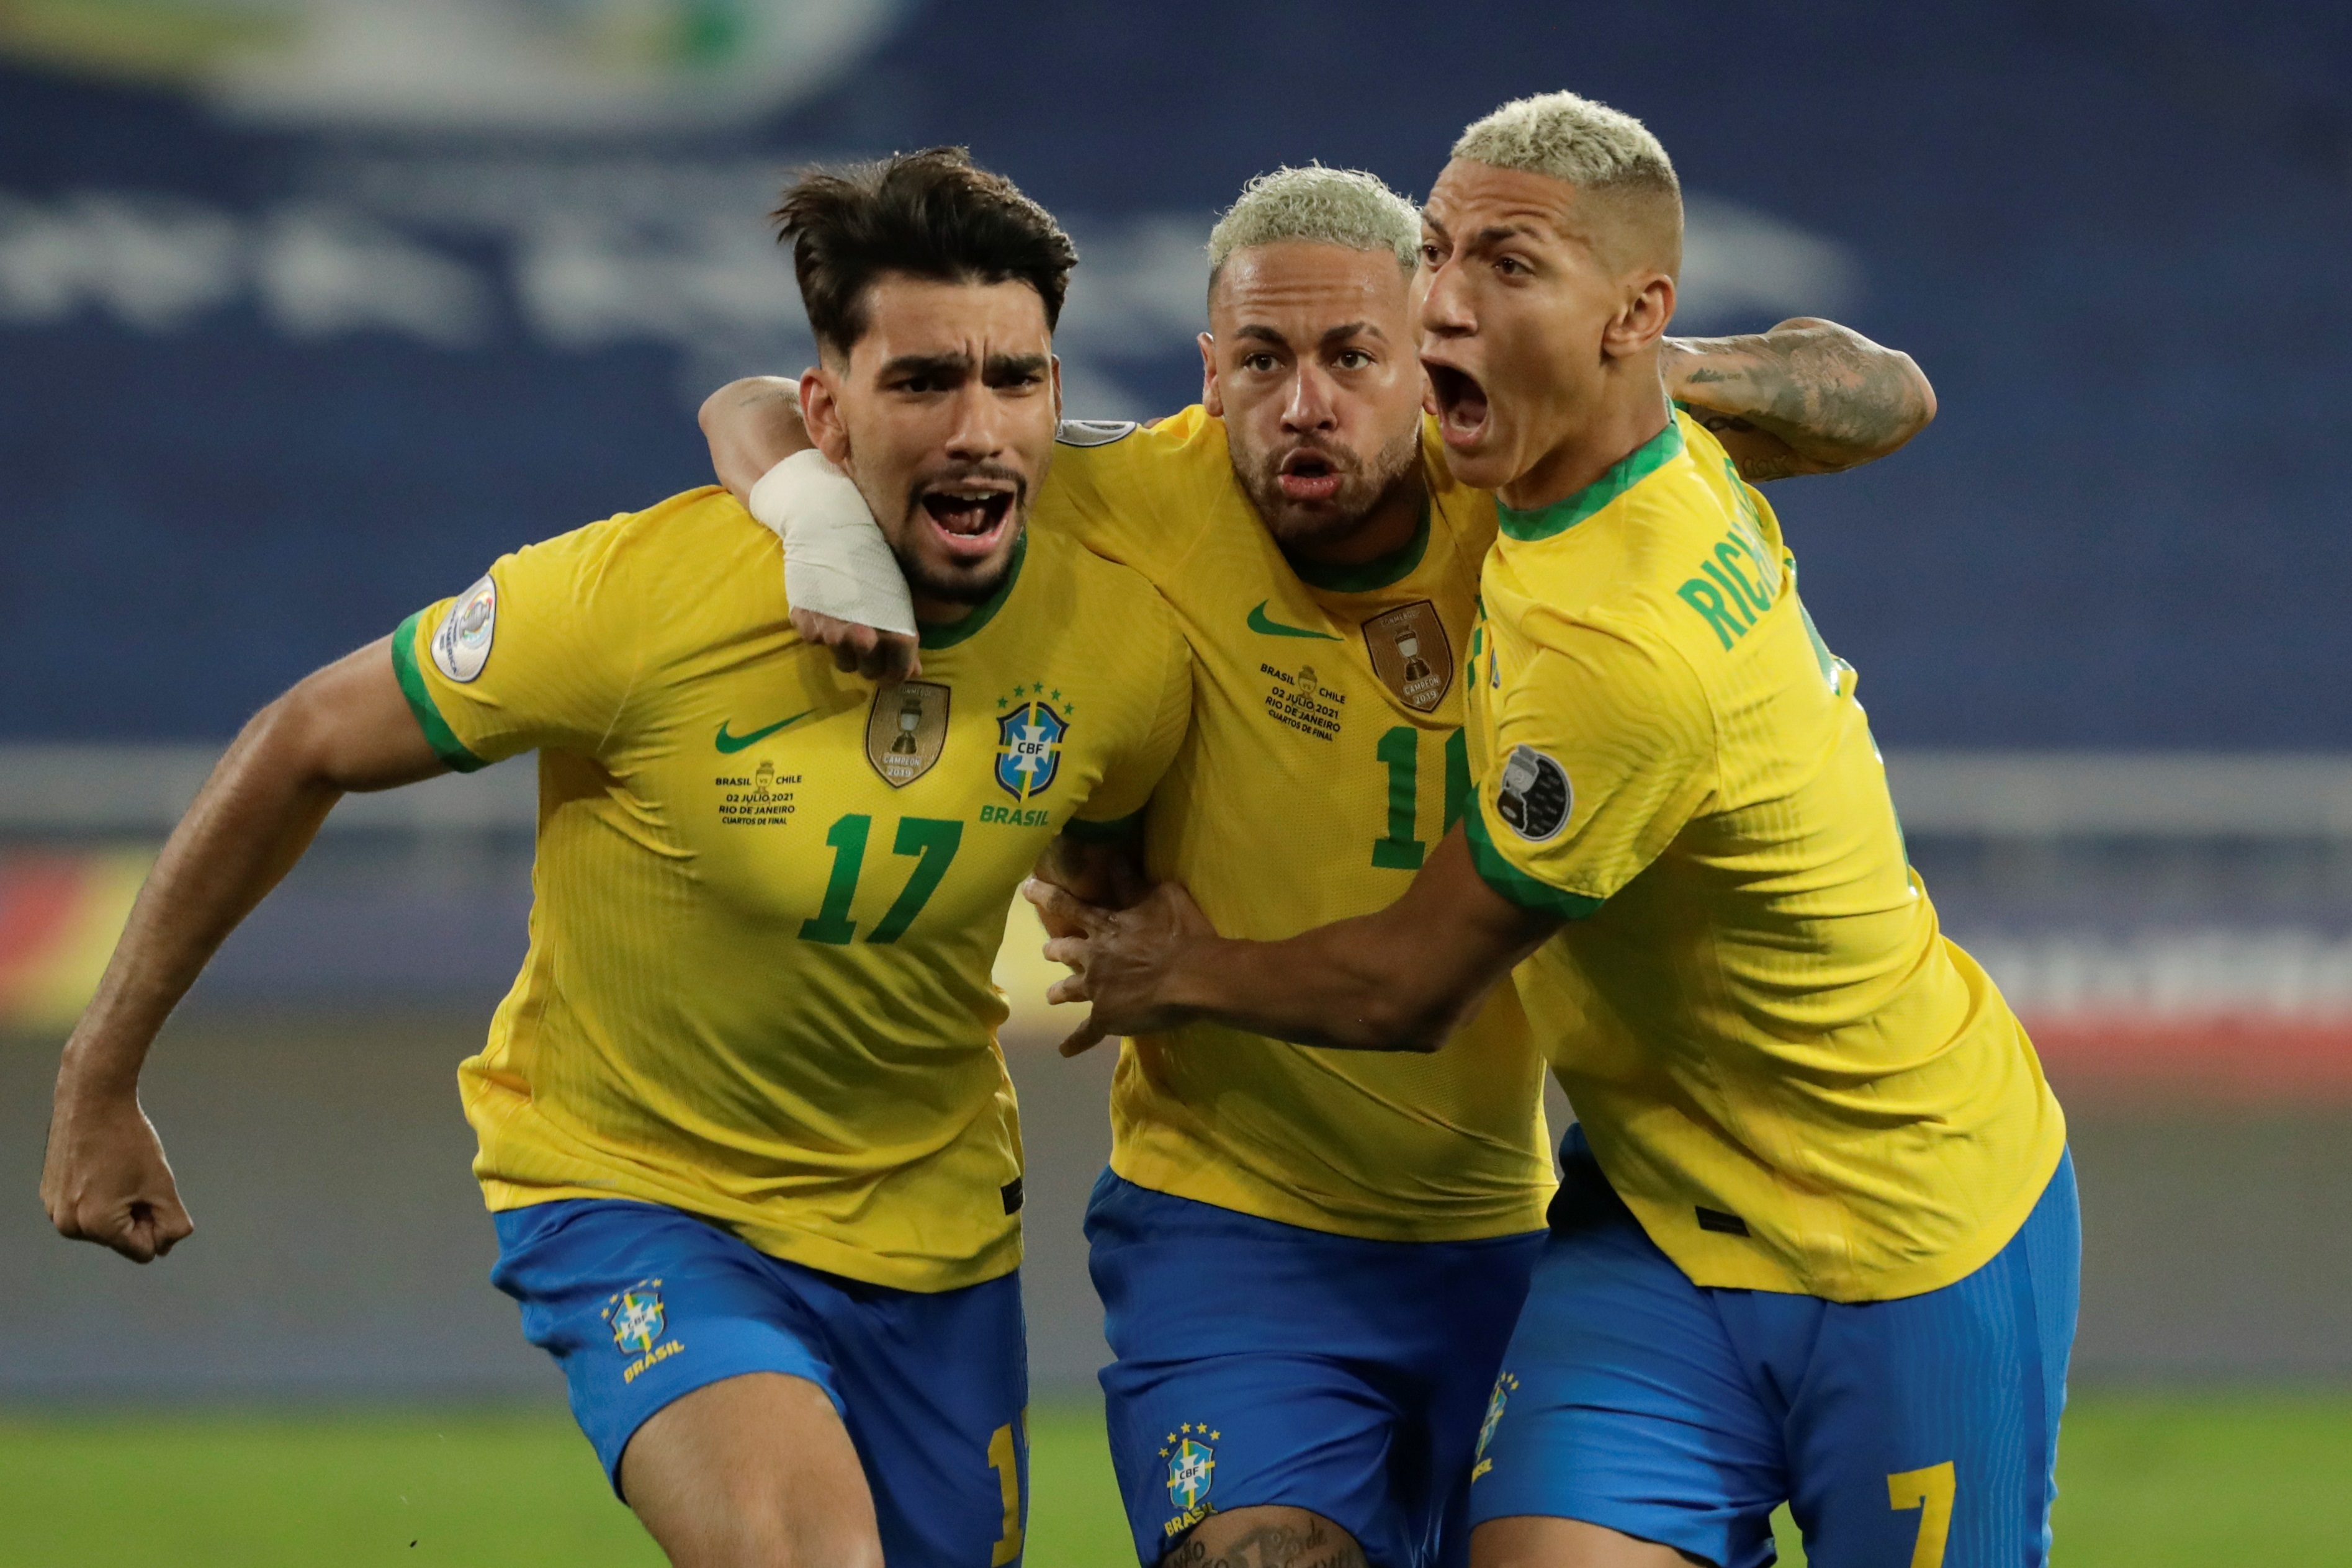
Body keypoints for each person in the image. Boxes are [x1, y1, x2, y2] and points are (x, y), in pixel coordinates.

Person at [701, 161, 1934, 1568]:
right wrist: (808, 511)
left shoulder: (1519, 470)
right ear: (1207, 375)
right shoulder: (1122, 495)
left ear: (1432, 354)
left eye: (1355, 356)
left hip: (1516, 1232)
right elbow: (754, 404)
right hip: (1234, 1233)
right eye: (1261, 361)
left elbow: (1881, 393)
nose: (1305, 403)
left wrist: (1637, 361)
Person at [40, 146, 1193, 1568]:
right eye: (922, 383)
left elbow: (1111, 836)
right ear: (825, 415)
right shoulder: (637, 599)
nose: (978, 426)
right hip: (641, 1195)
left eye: (1015, 380)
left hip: (932, 1228)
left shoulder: (1124, 637)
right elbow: (302, 742)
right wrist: (101, 1073)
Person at [1033, 94, 2073, 1568]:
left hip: (1901, 1217)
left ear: (1622, 317)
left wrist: (1174, 969)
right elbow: (1879, 386)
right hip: (1646, 1215)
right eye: (1441, 256)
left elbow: (1409, 984)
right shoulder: (1576, 452)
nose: (1448, 299)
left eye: (1498, 270)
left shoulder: (1612, 646)